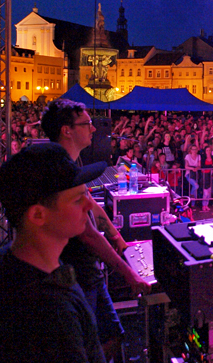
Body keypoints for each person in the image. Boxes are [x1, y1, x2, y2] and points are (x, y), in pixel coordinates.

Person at [41, 99, 151, 361]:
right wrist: (128, 273)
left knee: (112, 335)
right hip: (75, 272)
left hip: (87, 272)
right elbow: (88, 233)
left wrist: (119, 239)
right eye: (87, 123)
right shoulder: (60, 170)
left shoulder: (72, 162)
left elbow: (91, 205)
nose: (93, 129)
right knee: (88, 347)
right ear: (67, 130)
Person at [0, 143, 108, 362]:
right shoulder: (51, 313)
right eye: (77, 199)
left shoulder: (3, 261)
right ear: (38, 215)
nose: (89, 205)